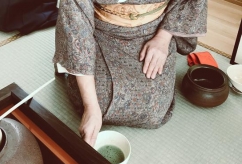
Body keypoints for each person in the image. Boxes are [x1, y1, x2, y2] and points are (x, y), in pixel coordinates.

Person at [53, 0, 207, 146]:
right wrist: (90, 106)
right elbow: (76, 25)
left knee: (154, 110)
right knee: (95, 104)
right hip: (101, 32)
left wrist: (163, 38)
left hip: (155, 31)